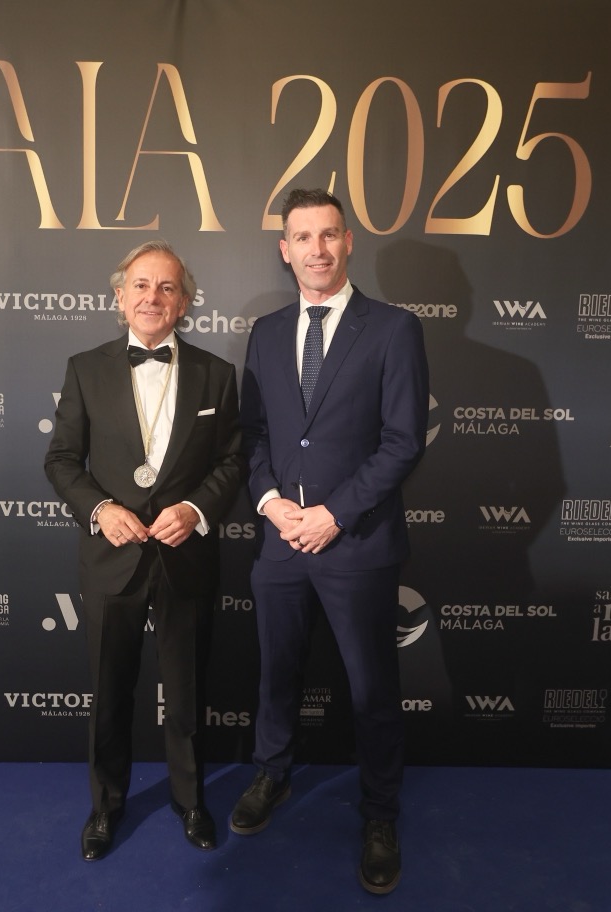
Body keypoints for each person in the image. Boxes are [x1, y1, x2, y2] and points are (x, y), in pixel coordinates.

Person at [233, 189, 429, 894]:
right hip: (281, 540)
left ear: (349, 242)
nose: (316, 249)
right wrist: (270, 503)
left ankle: (380, 814)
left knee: (372, 688)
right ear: (284, 249)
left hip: (358, 542)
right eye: (302, 237)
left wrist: (335, 514)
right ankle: (272, 774)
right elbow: (253, 435)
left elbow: (403, 441)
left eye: (328, 235)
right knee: (276, 673)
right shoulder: (265, 332)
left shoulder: (394, 329)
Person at [45, 240, 243, 861]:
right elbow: (61, 460)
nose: (152, 297)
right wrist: (102, 510)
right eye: (140, 285)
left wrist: (195, 510)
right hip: (112, 558)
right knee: (110, 691)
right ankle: (106, 805)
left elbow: (232, 461)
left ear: (184, 302)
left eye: (166, 287)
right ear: (119, 296)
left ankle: (190, 800)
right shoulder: (85, 368)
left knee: (186, 691)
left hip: (185, 556)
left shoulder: (218, 374)